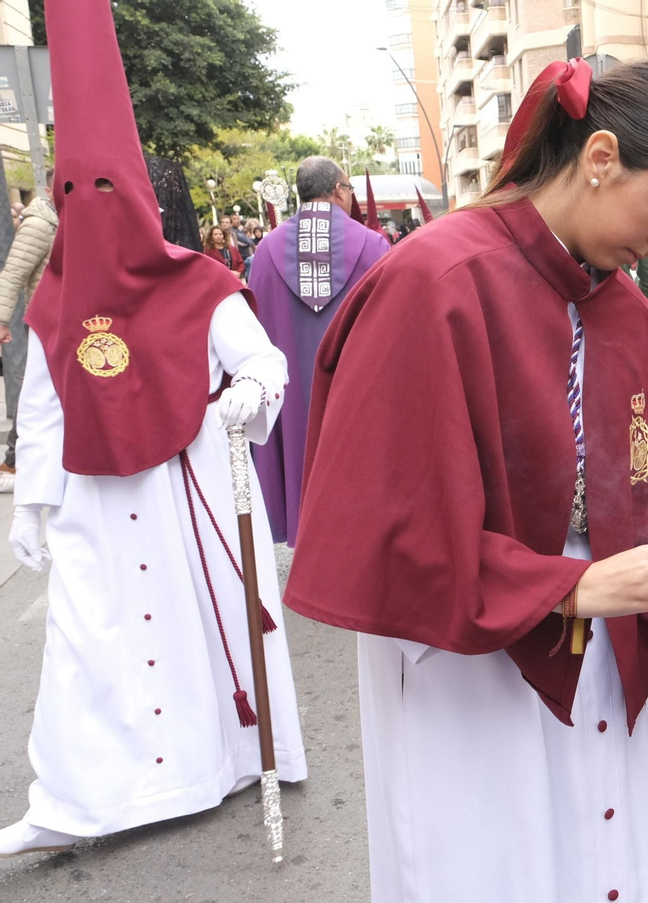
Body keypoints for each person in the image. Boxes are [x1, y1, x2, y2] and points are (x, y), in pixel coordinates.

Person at [282, 58, 648, 903]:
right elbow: (391, 528)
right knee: (489, 860)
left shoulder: (614, 303)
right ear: (600, 155)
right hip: (463, 660)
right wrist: (568, 586)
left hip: (595, 638)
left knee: (593, 854)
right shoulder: (435, 279)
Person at [0, 0, 305, 856]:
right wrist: (29, 505)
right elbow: (43, 408)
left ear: (134, 197)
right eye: (69, 193)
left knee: (195, 625)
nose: (86, 207)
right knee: (87, 640)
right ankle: (74, 797)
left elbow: (265, 363)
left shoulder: (201, 283)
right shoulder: (53, 300)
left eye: (103, 189)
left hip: (190, 482)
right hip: (93, 499)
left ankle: (226, 760)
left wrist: (248, 395)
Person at [247, 155, 389, 548]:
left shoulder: (266, 251)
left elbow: (253, 332)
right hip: (355, 389)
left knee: (300, 449)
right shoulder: (373, 245)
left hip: (292, 397)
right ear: (339, 191)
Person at [0, 172, 58, 494]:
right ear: (48, 189)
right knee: (35, 392)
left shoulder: (67, 220)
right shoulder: (40, 224)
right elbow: (13, 272)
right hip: (45, 321)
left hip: (66, 321)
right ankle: (13, 461)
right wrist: (2, 319)